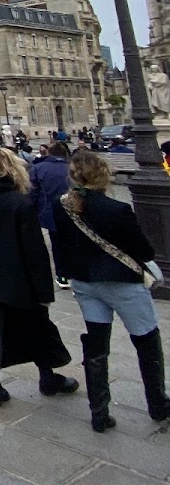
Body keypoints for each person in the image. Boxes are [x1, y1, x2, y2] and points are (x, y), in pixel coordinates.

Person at [0, 147, 79, 408]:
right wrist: (44, 291)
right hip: (18, 273)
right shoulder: (18, 200)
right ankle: (47, 377)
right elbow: (34, 248)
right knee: (37, 324)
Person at [51, 151, 168, 431]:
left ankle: (99, 413)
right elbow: (144, 251)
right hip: (122, 283)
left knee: (96, 345)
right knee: (146, 339)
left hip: (85, 283)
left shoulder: (61, 206)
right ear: (103, 176)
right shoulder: (117, 210)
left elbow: (59, 244)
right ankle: (157, 403)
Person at [30, 140, 73, 288]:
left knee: (57, 243)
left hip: (50, 211)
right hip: (74, 210)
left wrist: (32, 211)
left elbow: (33, 192)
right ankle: (77, 274)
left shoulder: (39, 168)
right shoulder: (73, 167)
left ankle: (62, 275)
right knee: (75, 242)